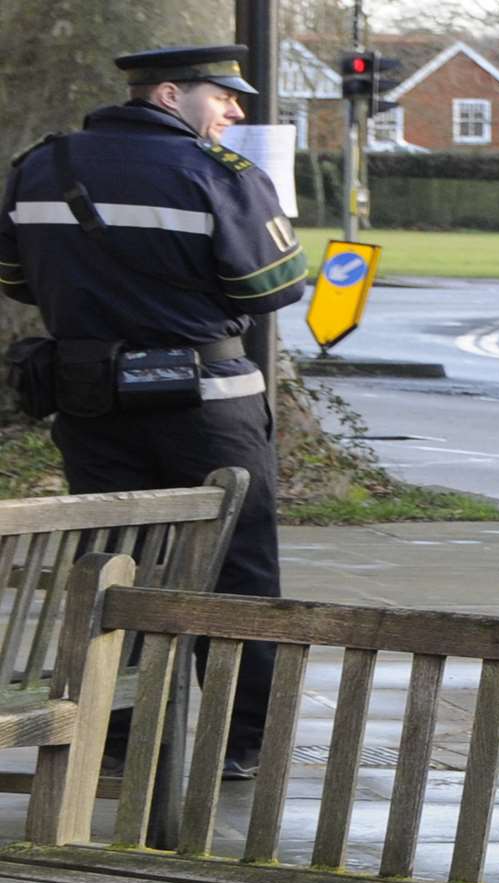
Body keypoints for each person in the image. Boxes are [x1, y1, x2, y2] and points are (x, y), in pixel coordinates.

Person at [0, 44, 308, 780]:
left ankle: (115, 738)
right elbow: (277, 286)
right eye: (224, 97)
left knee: (112, 567)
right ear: (171, 95)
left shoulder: (43, 165)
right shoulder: (219, 173)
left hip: (90, 402)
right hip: (208, 405)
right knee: (237, 573)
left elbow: (16, 279)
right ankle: (240, 746)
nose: (236, 111)